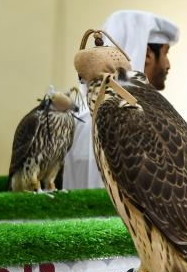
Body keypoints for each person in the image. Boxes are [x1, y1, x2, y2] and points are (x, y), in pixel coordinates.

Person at [62, 10, 180, 189]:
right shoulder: (133, 122)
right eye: (166, 53)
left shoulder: (80, 121)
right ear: (147, 54)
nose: (168, 64)